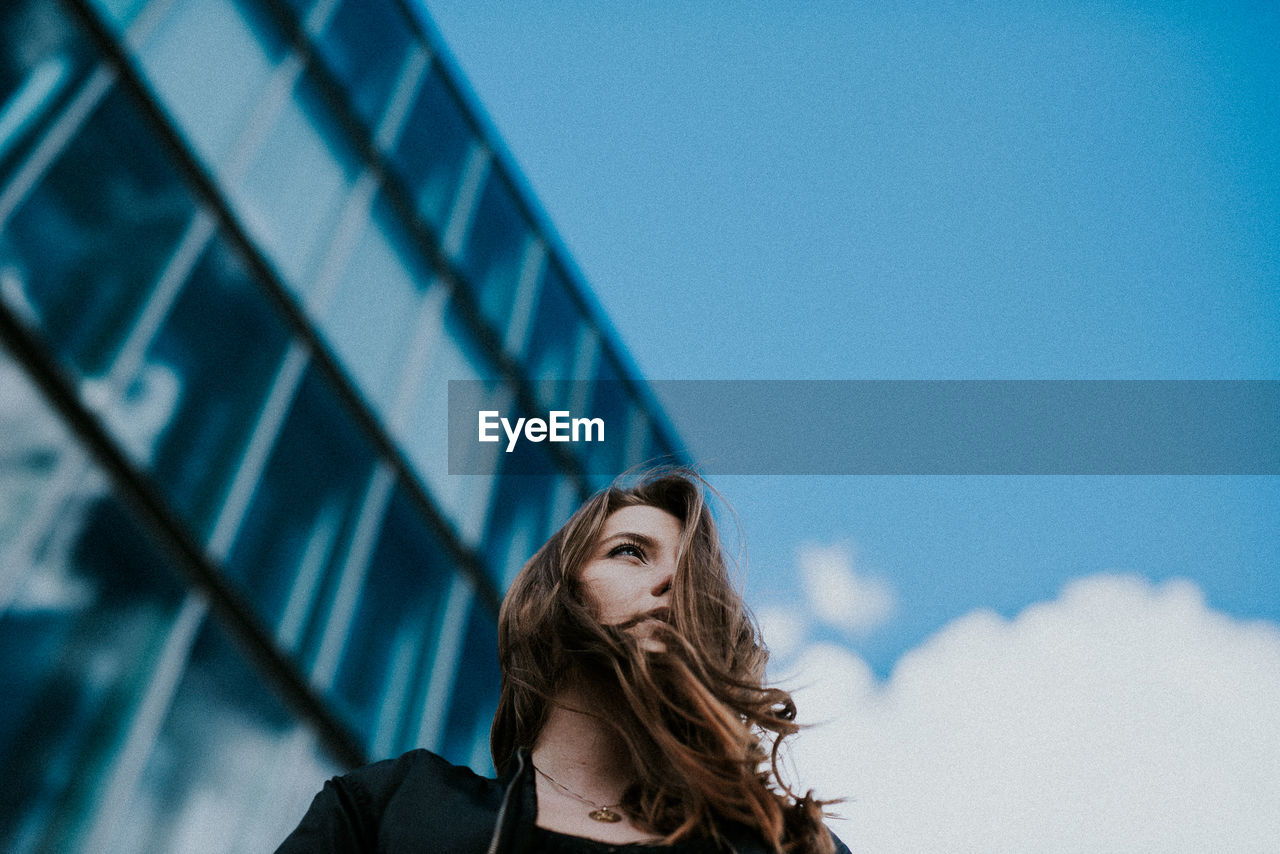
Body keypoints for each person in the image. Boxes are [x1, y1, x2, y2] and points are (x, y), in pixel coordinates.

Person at [275, 468, 850, 853]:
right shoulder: (395, 807)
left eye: (693, 576)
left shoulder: (785, 845)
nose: (673, 582)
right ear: (553, 597)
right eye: (630, 552)